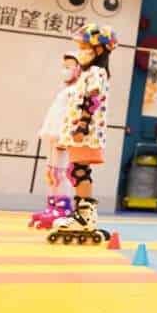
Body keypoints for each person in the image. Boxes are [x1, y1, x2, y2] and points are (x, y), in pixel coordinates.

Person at [48, 23, 116, 245]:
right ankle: (83, 214)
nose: (81, 51)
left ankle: (85, 217)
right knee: (78, 170)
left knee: (79, 171)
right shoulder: (89, 73)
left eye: (85, 46)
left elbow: (91, 100)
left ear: (99, 50)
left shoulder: (96, 72)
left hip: (85, 133)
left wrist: (82, 126)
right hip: (81, 132)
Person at [29, 52, 80, 229]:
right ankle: (51, 207)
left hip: (63, 136)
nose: (64, 70)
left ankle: (63, 209)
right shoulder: (66, 89)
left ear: (79, 69)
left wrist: (67, 136)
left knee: (61, 173)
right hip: (53, 134)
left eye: (69, 67)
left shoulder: (77, 90)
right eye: (63, 66)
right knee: (51, 173)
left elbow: (73, 115)